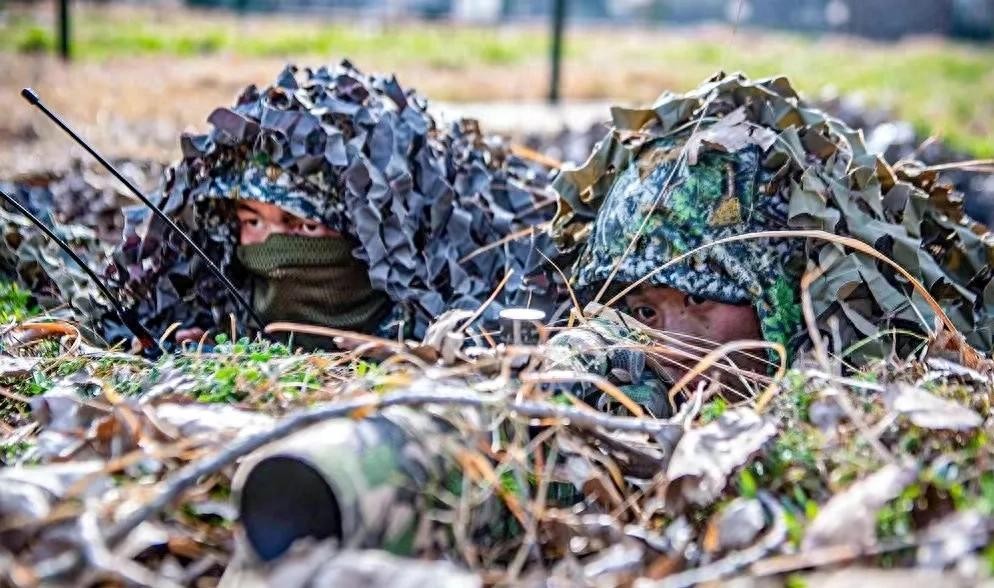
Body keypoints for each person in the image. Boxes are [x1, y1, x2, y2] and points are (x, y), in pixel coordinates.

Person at [546, 72, 994, 415]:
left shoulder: (892, 396)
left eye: (699, 297)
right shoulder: (626, 383)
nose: (674, 352)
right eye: (645, 313)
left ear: (791, 299)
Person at [107, 61, 556, 350]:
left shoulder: (455, 309)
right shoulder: (217, 307)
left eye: (301, 225)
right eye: (252, 221)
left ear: (367, 239)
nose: (273, 250)